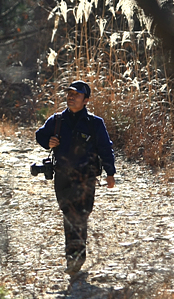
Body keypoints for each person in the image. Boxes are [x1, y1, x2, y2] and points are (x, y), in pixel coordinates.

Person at [35, 80, 116, 276]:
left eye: (77, 95)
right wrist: (49, 141)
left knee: (80, 215)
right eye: (69, 94)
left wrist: (110, 173)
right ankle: (73, 259)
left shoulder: (95, 124)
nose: (71, 98)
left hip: (86, 176)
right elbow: (40, 135)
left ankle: (76, 259)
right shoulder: (56, 121)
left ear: (86, 100)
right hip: (62, 176)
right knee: (69, 215)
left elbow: (106, 148)